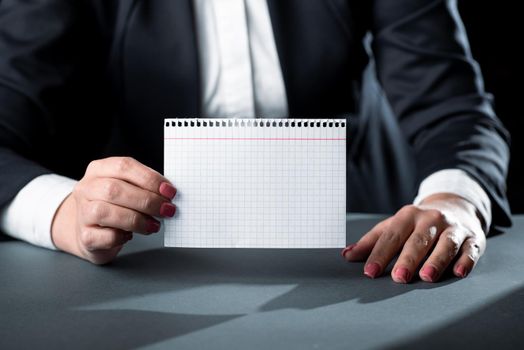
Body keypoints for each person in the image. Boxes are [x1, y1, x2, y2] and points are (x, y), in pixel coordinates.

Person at [0, 0, 510, 283]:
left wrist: (453, 198)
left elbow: (456, 110)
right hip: (148, 259)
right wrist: (65, 209)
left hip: (366, 251)